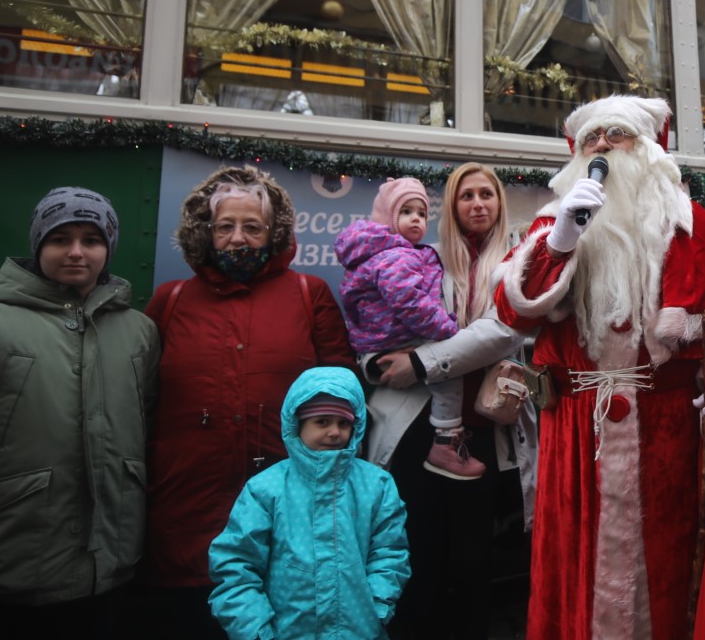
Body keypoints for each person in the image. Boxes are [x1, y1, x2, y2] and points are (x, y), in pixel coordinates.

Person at [495, 95, 705, 639]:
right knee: (573, 561)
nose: (601, 146)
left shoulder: (686, 223)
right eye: (591, 138)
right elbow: (513, 312)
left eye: (616, 134)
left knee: (668, 568)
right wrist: (562, 239)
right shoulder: (555, 222)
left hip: (666, 433)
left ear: (648, 148)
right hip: (575, 430)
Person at [142, 165, 355, 640]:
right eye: (225, 227)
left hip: (290, 519)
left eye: (253, 227)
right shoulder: (169, 301)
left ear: (273, 232)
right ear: (205, 232)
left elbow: (343, 396)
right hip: (187, 518)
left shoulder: (309, 295)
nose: (238, 239)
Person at [0, 187, 160, 639]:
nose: (76, 252)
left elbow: (146, 426)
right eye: (60, 238)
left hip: (111, 568)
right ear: (39, 245)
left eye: (91, 239)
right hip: (8, 570)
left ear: (108, 249)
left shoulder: (140, 332)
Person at [360, 162, 530, 640]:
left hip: (485, 428)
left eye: (486, 195)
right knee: (419, 549)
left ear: (500, 203)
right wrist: (373, 363)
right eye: (466, 196)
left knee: (475, 558)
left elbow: (503, 331)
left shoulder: (521, 262)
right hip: (418, 427)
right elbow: (377, 322)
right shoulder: (419, 256)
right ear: (451, 207)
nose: (477, 204)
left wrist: (420, 361)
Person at [208, 366, 410, 640]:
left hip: (360, 629)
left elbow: (389, 553)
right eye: (322, 422)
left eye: (344, 423)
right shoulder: (266, 488)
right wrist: (255, 630)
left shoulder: (376, 485)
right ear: (297, 425)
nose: (335, 432)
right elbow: (236, 563)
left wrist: (378, 606)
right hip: (286, 631)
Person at [335, 176, 485, 481]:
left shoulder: (402, 252)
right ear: (387, 218)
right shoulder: (396, 256)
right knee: (448, 372)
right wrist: (447, 330)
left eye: (421, 212)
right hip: (399, 340)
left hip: (387, 341)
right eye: (405, 212)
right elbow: (410, 303)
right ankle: (446, 439)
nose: (416, 219)